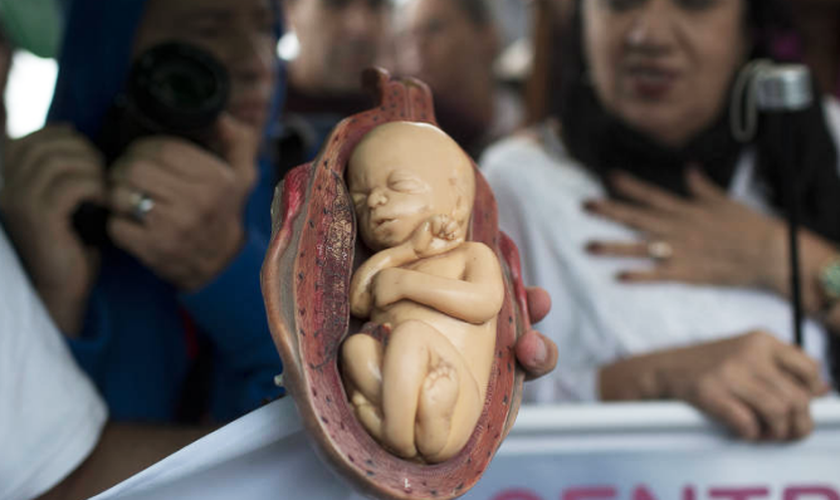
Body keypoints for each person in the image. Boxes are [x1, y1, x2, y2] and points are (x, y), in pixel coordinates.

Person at [482, 0, 840, 441]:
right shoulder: (515, 185)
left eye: (694, 4)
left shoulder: (821, 148)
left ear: (751, 24)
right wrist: (649, 379)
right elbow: (470, 416)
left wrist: (797, 261)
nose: (648, 34)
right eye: (619, 3)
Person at [0, 0, 285, 423]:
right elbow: (30, 468)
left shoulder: (323, 205)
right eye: (208, 27)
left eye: (268, 31)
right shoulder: (32, 217)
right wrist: (53, 305)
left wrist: (227, 269)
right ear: (107, 53)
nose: (256, 62)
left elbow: (334, 445)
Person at [342, 122, 504, 463]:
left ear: (458, 201)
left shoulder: (471, 255)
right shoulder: (401, 261)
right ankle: (418, 424)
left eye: (398, 185)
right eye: (359, 199)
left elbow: (485, 302)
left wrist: (407, 284)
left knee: (413, 333)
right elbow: (358, 301)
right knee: (356, 348)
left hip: (457, 391)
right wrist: (405, 254)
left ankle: (398, 433)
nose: (373, 201)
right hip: (412, 394)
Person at [277, 0, 392, 176]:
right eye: (336, 4)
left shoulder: (423, 120)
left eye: (376, 5)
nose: (360, 27)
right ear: (289, 10)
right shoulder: (250, 114)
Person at [395, 0, 523, 156]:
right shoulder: (410, 145)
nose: (418, 47)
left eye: (434, 28)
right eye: (410, 36)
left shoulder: (538, 111)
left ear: (488, 35)